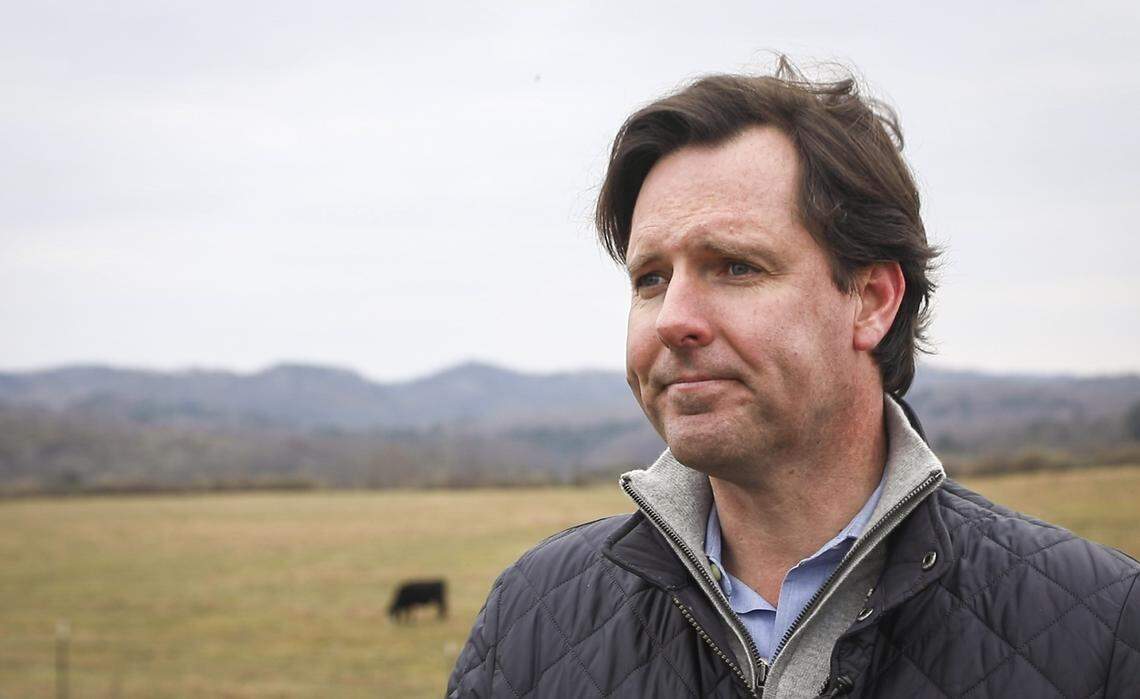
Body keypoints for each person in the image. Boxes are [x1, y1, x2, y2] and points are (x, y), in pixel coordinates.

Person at [447, 60, 1140, 698]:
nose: (673, 320)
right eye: (651, 278)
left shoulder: (1103, 627)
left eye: (736, 267)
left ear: (870, 300)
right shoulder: (532, 619)